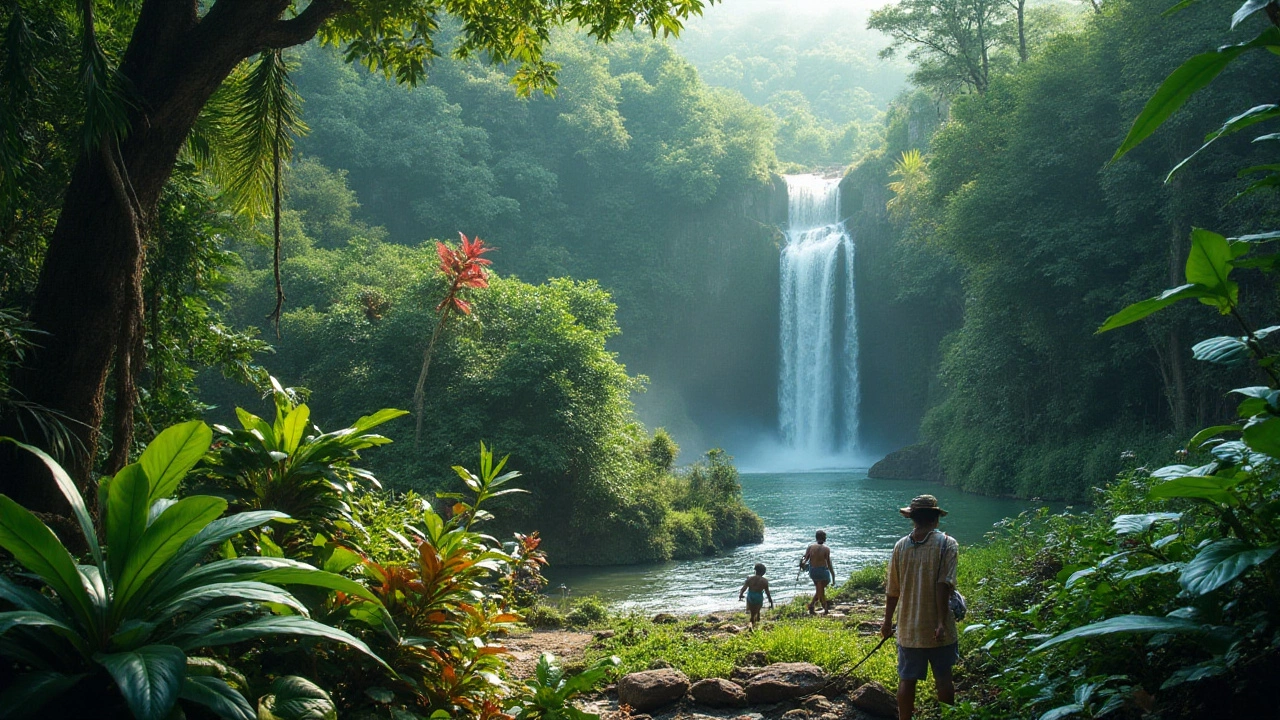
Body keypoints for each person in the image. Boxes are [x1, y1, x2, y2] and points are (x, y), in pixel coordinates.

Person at [880, 495, 959, 720]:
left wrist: (887, 623)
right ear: (935, 518)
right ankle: (948, 717)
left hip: (908, 628)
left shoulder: (900, 546)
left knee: (907, 679)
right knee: (943, 677)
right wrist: (941, 622)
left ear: (913, 519)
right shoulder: (947, 544)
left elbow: (892, 590)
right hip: (938, 628)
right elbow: (944, 584)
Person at [802, 530, 835, 615]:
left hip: (813, 572)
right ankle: (820, 607)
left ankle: (815, 606)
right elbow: (829, 564)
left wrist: (802, 564)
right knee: (821, 589)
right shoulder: (826, 549)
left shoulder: (810, 547)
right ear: (824, 538)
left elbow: (805, 560)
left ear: (816, 538)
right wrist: (833, 577)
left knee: (819, 589)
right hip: (822, 572)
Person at [738, 563, 774, 628]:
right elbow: (767, 593)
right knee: (757, 609)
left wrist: (740, 595)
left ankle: (753, 620)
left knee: (752, 611)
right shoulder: (764, 581)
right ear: (763, 572)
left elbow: (744, 588)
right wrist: (771, 601)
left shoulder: (749, 579)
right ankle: (754, 622)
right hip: (758, 597)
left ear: (755, 571)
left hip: (751, 596)